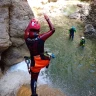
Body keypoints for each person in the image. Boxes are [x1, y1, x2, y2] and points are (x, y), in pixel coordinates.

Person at [24, 14, 55, 96]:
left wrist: (30, 23)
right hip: (43, 60)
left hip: (34, 63)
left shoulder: (26, 38)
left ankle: (34, 94)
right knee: (49, 57)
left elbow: (26, 31)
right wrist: (47, 19)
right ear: (38, 30)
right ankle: (47, 64)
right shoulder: (41, 37)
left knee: (33, 79)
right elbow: (53, 30)